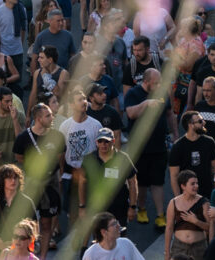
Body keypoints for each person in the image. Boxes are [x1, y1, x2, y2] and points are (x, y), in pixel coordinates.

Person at [123, 68, 174, 229]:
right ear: (146, 82)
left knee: (158, 181)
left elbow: (169, 114)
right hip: (140, 147)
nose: (159, 85)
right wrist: (146, 103)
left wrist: (175, 134)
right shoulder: (133, 94)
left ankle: (160, 215)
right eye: (156, 82)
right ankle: (142, 208)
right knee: (142, 181)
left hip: (159, 145)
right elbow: (130, 114)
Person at [12, 103, 64, 256]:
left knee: (47, 222)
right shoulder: (23, 138)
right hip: (31, 183)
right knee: (28, 222)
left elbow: (59, 157)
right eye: (48, 115)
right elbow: (19, 157)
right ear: (38, 119)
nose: (52, 117)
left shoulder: (57, 136)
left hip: (50, 183)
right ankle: (29, 255)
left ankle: (42, 257)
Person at [57, 89, 100, 226]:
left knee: (91, 212)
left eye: (84, 99)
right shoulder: (65, 126)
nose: (84, 102)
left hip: (90, 174)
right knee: (72, 213)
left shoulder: (95, 125)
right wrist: (61, 173)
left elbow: (101, 150)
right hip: (71, 173)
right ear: (71, 104)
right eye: (79, 100)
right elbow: (61, 152)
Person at [80, 128, 137, 229]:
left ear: (113, 141)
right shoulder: (89, 159)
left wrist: (132, 206)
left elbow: (133, 182)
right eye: (100, 141)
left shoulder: (123, 158)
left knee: (119, 238)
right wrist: (82, 206)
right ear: (96, 142)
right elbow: (82, 183)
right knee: (99, 239)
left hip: (119, 207)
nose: (103, 144)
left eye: (106, 141)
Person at [0, 164, 37, 249]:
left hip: (21, 249)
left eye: (15, 177)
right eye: (9, 178)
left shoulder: (27, 202)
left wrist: (18, 241)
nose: (13, 180)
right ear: (2, 180)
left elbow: (34, 228)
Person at [163, 170, 213, 260]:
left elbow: (211, 227)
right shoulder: (173, 202)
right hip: (179, 247)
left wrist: (195, 221)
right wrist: (167, 252)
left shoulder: (204, 203)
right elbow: (169, 228)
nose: (196, 186)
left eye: (197, 183)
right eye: (192, 184)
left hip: (199, 247)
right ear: (183, 186)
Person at [168, 111, 215, 199]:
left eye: (202, 120)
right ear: (190, 125)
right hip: (186, 196)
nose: (204, 123)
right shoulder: (177, 146)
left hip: (207, 194)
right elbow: (174, 176)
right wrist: (178, 200)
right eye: (200, 121)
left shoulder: (209, 142)